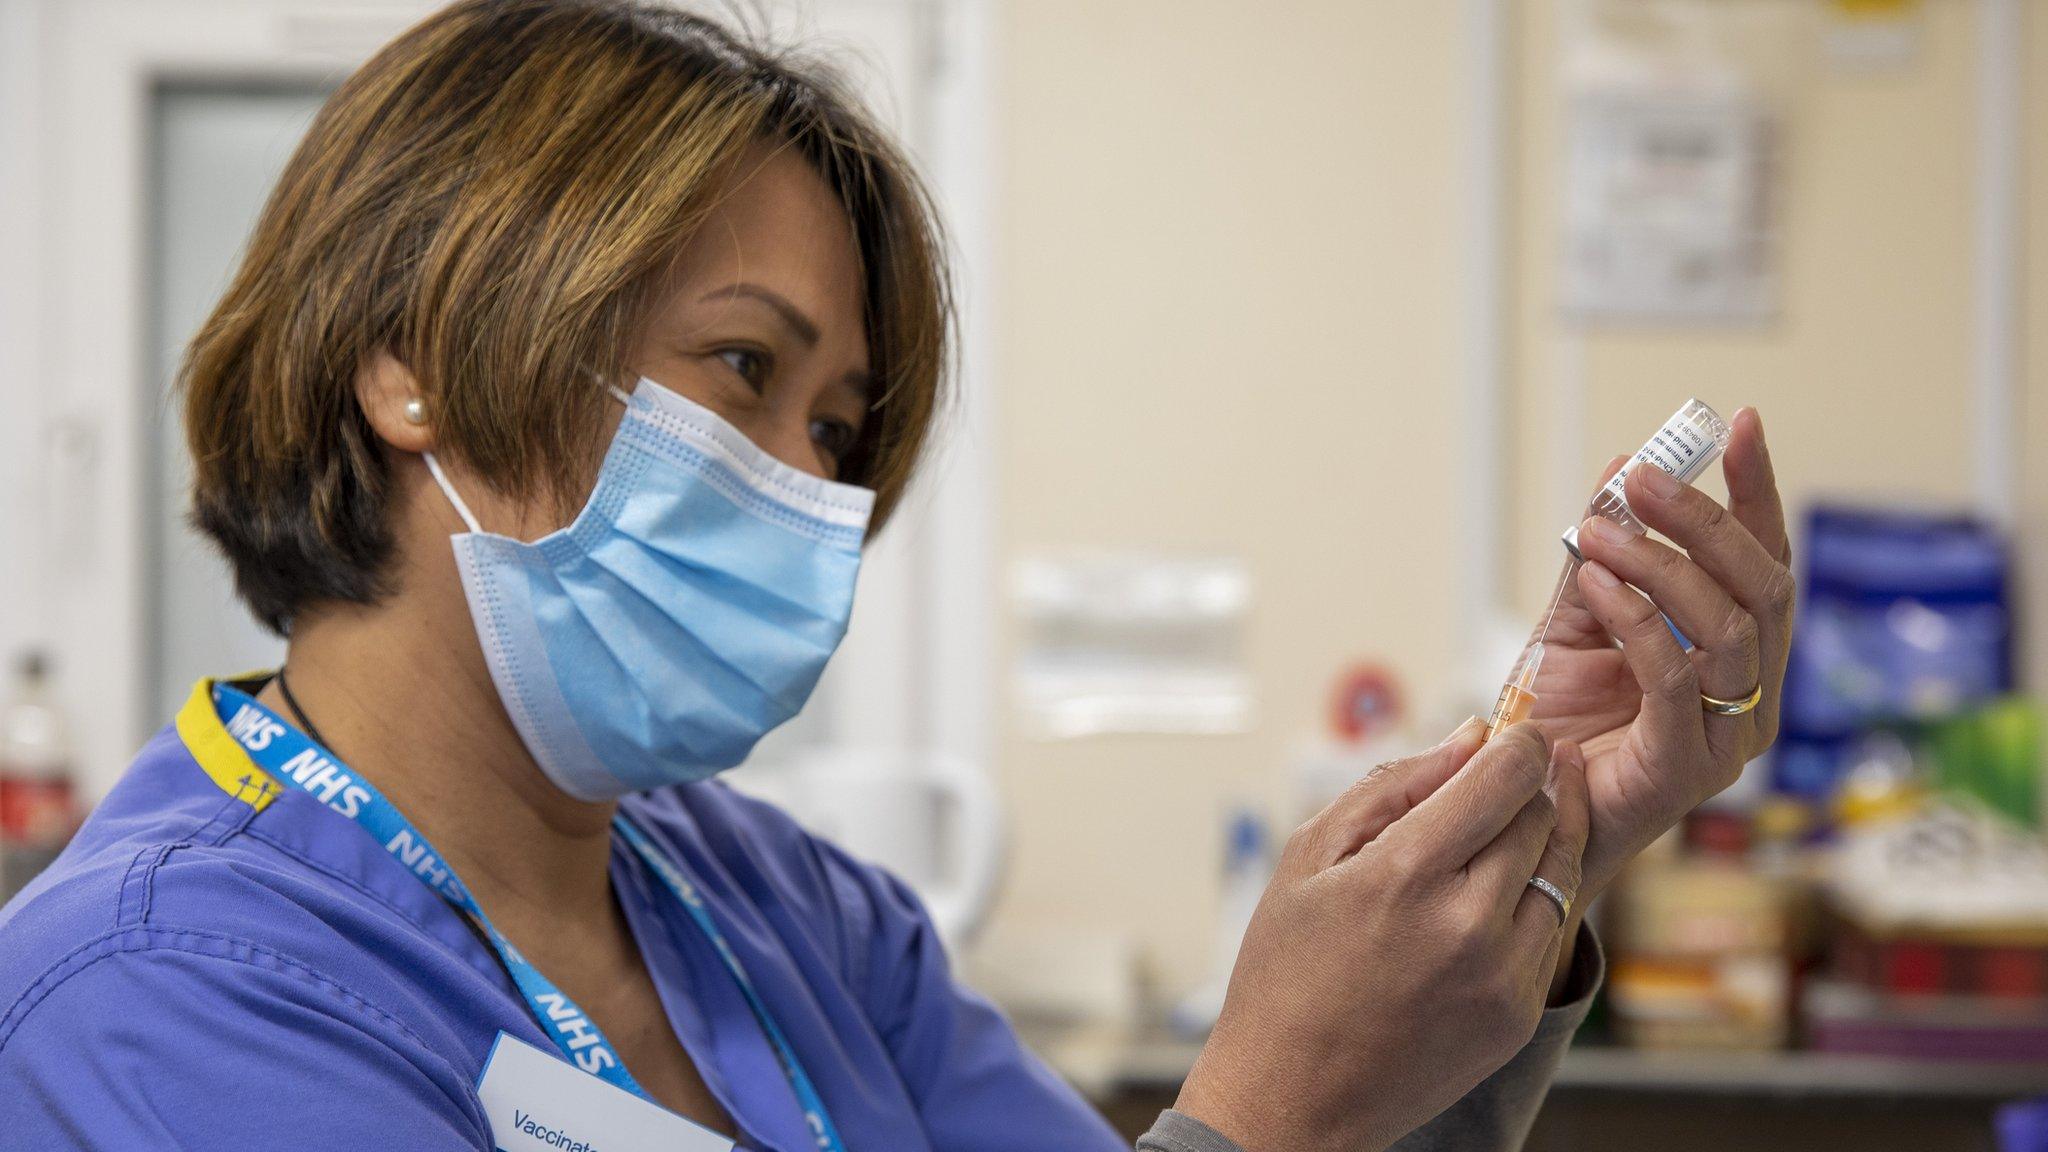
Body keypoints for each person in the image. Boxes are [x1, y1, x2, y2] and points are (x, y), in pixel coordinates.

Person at [0, 3, 1795, 1150]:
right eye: (741, 372)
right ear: (416, 368)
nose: (811, 488)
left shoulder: (782, 915)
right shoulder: (151, 998)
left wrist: (1544, 828)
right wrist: (1266, 1108)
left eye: (844, 423)